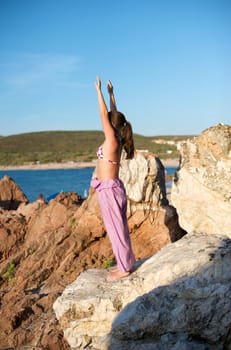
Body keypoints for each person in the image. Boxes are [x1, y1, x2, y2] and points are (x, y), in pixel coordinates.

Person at [91, 77, 136, 281]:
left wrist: (98, 91)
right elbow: (113, 115)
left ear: (111, 125)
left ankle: (124, 268)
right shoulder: (117, 137)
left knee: (116, 229)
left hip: (109, 190)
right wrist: (111, 94)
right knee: (120, 228)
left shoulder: (111, 138)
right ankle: (126, 263)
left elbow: (103, 114)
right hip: (112, 187)